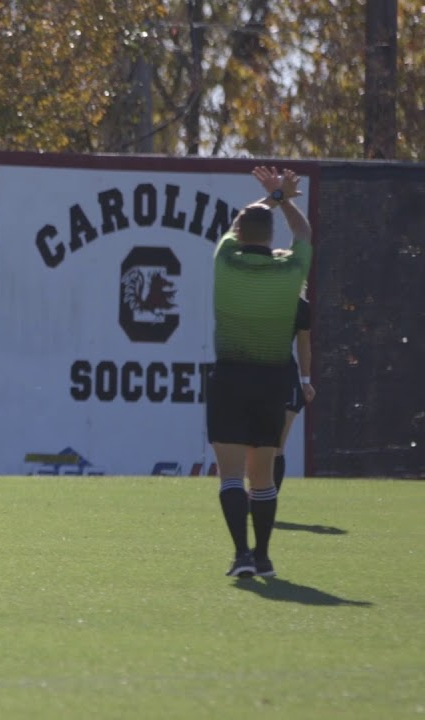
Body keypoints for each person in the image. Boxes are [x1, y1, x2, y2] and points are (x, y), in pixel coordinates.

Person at [207, 166, 312, 579]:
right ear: (270, 238)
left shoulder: (225, 261)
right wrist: (286, 201)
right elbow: (302, 236)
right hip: (272, 381)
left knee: (231, 476)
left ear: (241, 234)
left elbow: (239, 222)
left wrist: (269, 198)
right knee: (263, 476)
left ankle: (241, 556)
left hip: (231, 377)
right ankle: (264, 557)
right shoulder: (290, 272)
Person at [274, 294, 316, 492]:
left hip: (285, 379)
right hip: (255, 376)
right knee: (257, 447)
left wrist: (306, 382)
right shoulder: (255, 295)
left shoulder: (300, 306)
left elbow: (303, 344)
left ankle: (265, 501)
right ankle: (260, 497)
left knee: (275, 447)